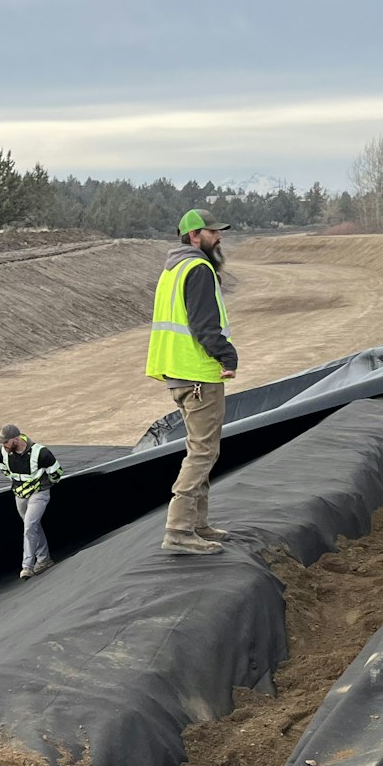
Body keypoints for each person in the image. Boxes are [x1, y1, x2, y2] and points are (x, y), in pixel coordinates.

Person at [146, 209, 238, 555]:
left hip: (179, 374)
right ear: (194, 236)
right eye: (213, 232)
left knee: (200, 449)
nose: (219, 237)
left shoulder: (172, 269)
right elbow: (204, 325)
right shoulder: (197, 269)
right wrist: (226, 356)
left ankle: (197, 523)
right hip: (198, 374)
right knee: (203, 452)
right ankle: (179, 528)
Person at [0, 423, 64, 579]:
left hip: (39, 493)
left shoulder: (41, 453)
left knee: (30, 526)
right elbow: (2, 468)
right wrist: (18, 483)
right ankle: (44, 559)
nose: (4, 445)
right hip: (20, 494)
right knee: (32, 526)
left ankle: (27, 566)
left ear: (16, 439)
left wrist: (44, 485)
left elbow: (57, 473)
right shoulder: (4, 452)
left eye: (6, 442)